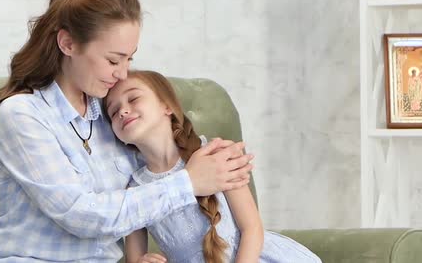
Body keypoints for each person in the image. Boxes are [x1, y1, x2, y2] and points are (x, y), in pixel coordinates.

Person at [0, 0, 254, 262]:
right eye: (113, 60)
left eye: (130, 59)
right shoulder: (21, 115)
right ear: (68, 44)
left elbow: (163, 157)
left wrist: (219, 159)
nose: (122, 73)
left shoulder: (113, 114)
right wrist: (188, 183)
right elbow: (81, 214)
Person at [104, 70, 322, 263]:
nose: (123, 111)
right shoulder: (135, 191)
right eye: (113, 112)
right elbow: (134, 258)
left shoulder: (213, 155)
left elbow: (252, 229)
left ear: (167, 106)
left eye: (133, 98)